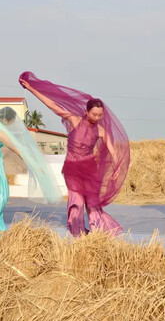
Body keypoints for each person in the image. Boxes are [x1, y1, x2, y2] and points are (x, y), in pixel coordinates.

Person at [19, 71, 130, 237]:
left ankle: (98, 234)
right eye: (94, 114)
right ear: (86, 111)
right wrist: (33, 89)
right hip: (72, 167)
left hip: (90, 168)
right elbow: (53, 106)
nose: (97, 117)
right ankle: (78, 233)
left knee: (92, 203)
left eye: (100, 115)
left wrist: (117, 168)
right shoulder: (75, 120)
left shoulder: (101, 130)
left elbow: (113, 151)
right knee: (76, 203)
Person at [0, 107, 62, 233]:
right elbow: (18, 150)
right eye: (9, 123)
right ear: (4, 119)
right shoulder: (0, 132)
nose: (10, 126)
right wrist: (35, 166)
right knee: (1, 193)